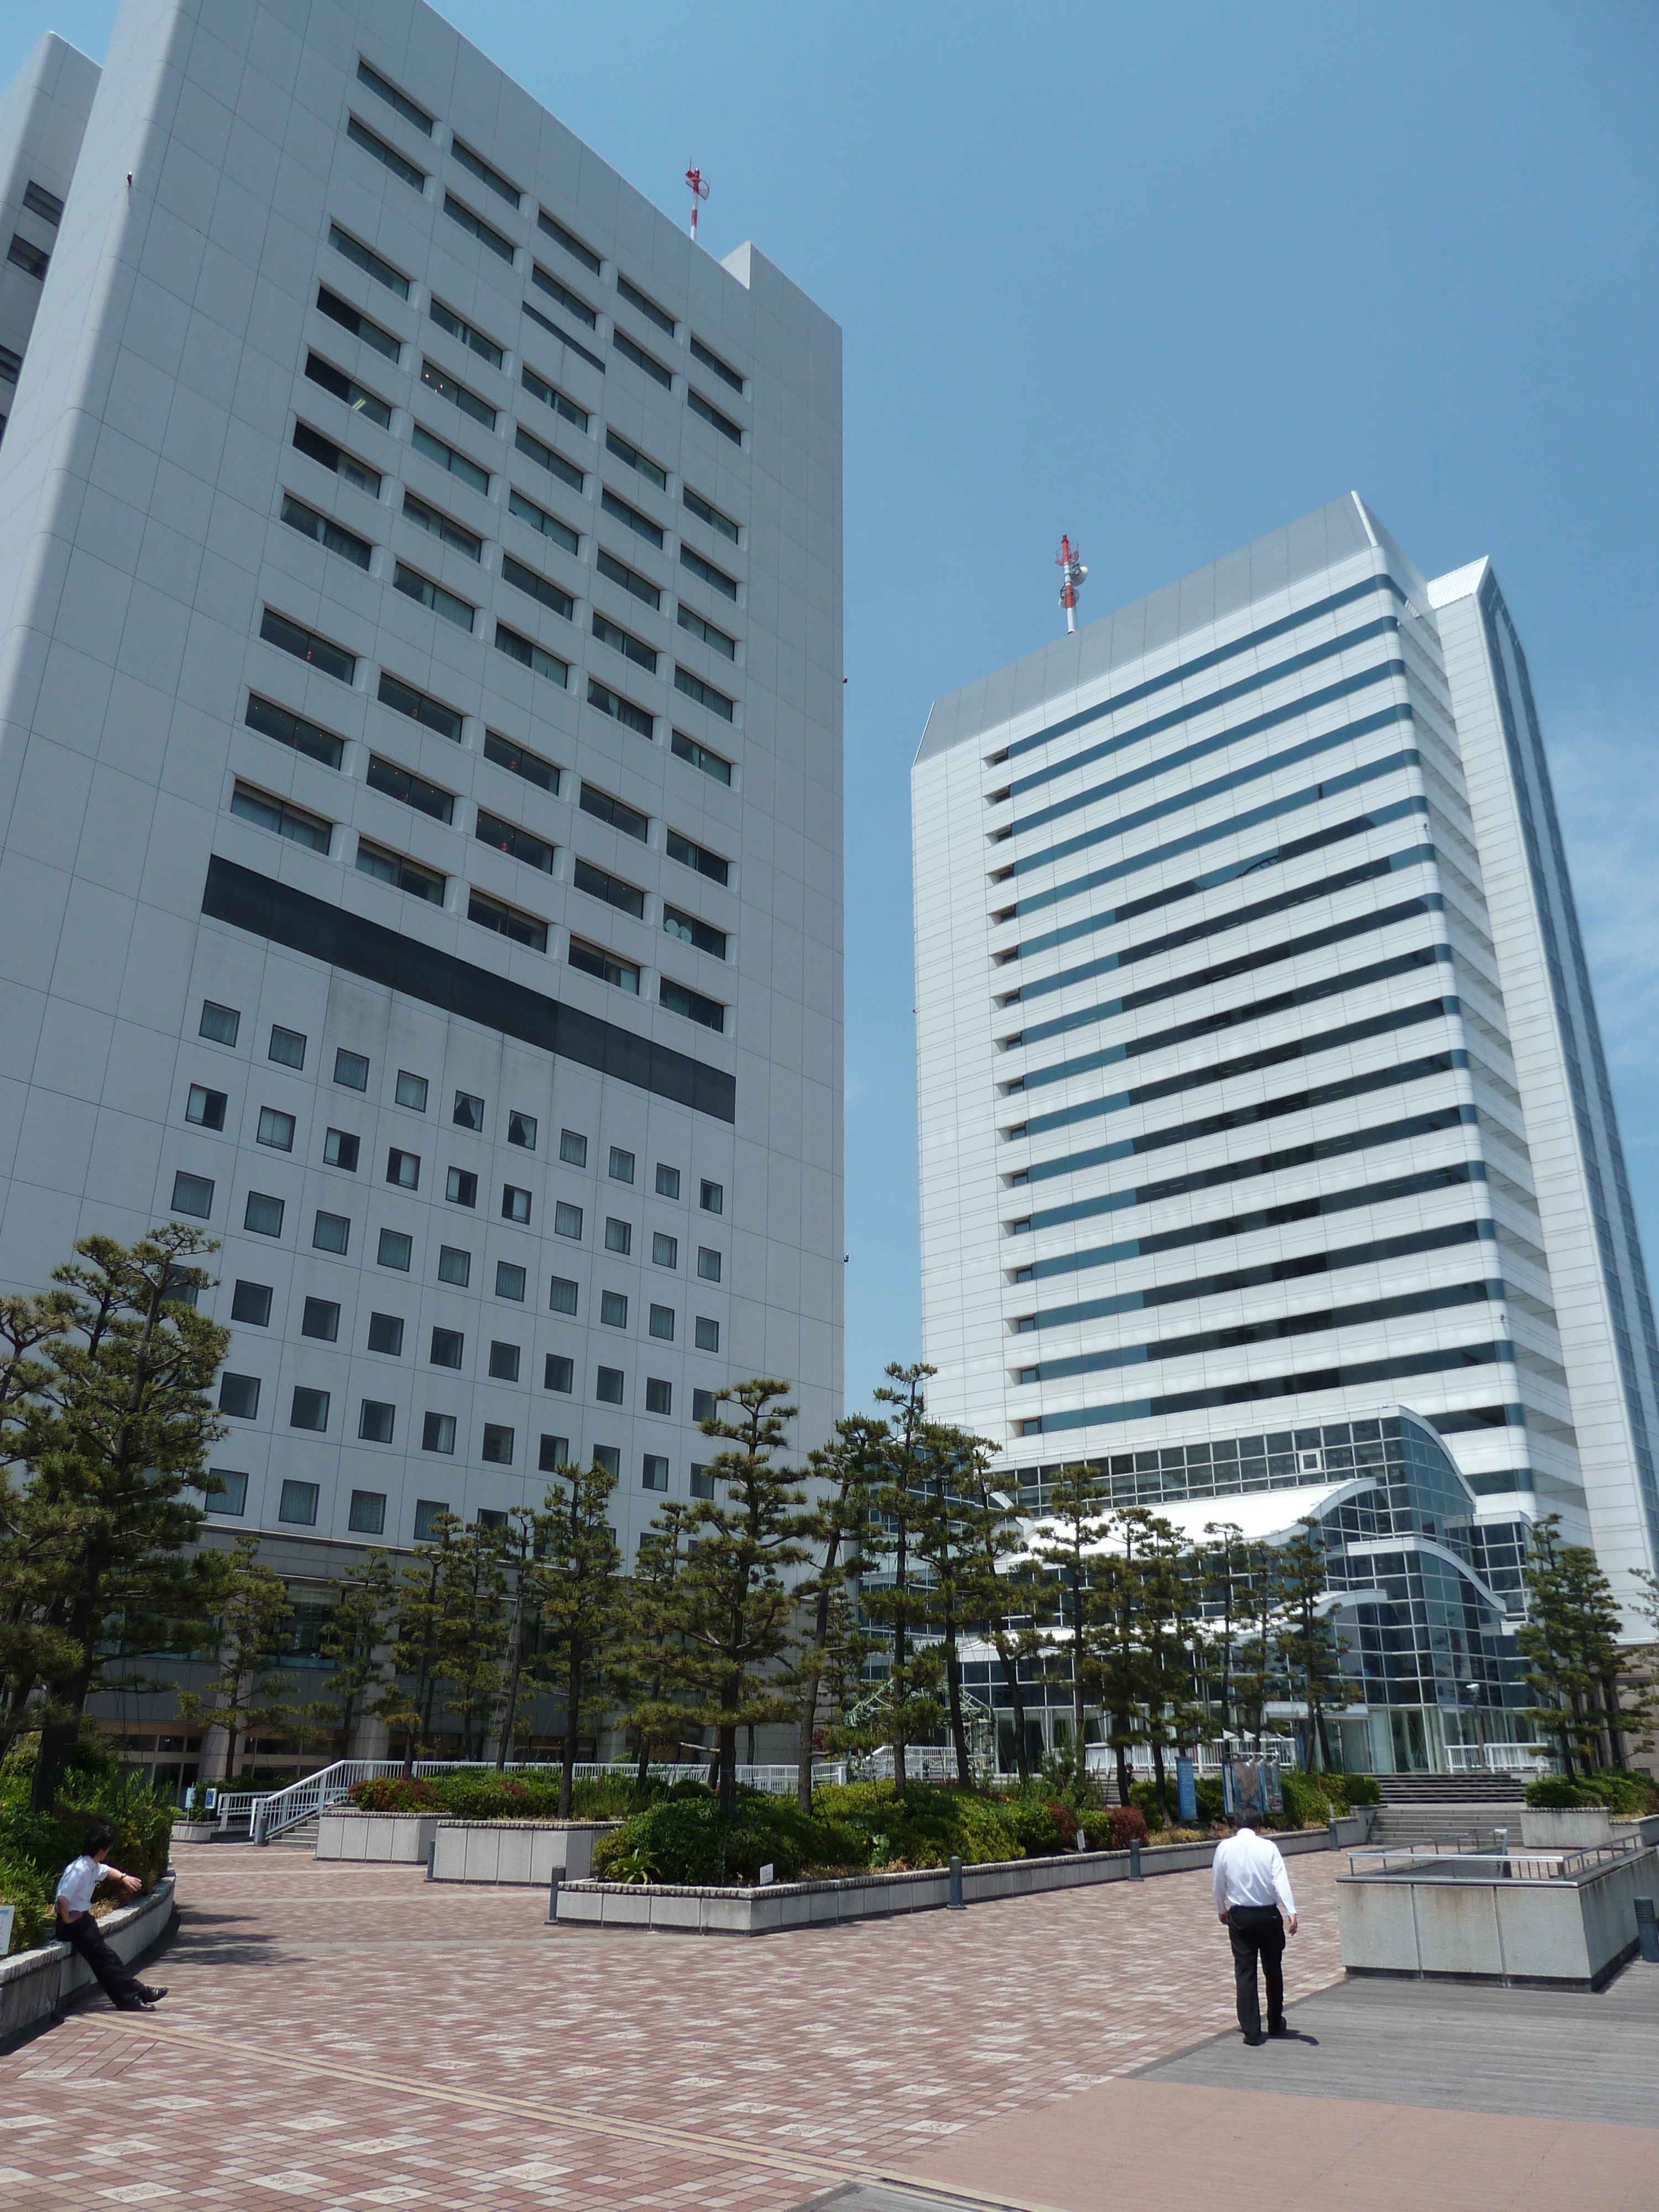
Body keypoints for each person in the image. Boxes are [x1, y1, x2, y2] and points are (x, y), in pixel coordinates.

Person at [54, 1825, 166, 2012]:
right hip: (74, 1926)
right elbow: (62, 1898)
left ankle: (132, 1996)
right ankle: (136, 1995)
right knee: (107, 1960)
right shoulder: (79, 1870)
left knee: (106, 1961)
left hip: (83, 1923)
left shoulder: (91, 1866)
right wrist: (66, 1920)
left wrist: (124, 1877)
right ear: (101, 1850)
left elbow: (106, 1872)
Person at [1211, 1814, 1297, 2044]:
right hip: (1269, 1914)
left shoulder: (1224, 1848)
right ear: (1258, 1826)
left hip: (1240, 1916)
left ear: (1237, 1825)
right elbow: (1280, 1879)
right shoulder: (1269, 1847)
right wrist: (1291, 1911)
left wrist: (1221, 1909)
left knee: (1245, 1972)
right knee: (1273, 1970)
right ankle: (1276, 2022)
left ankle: (1251, 2030)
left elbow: (1218, 1882)